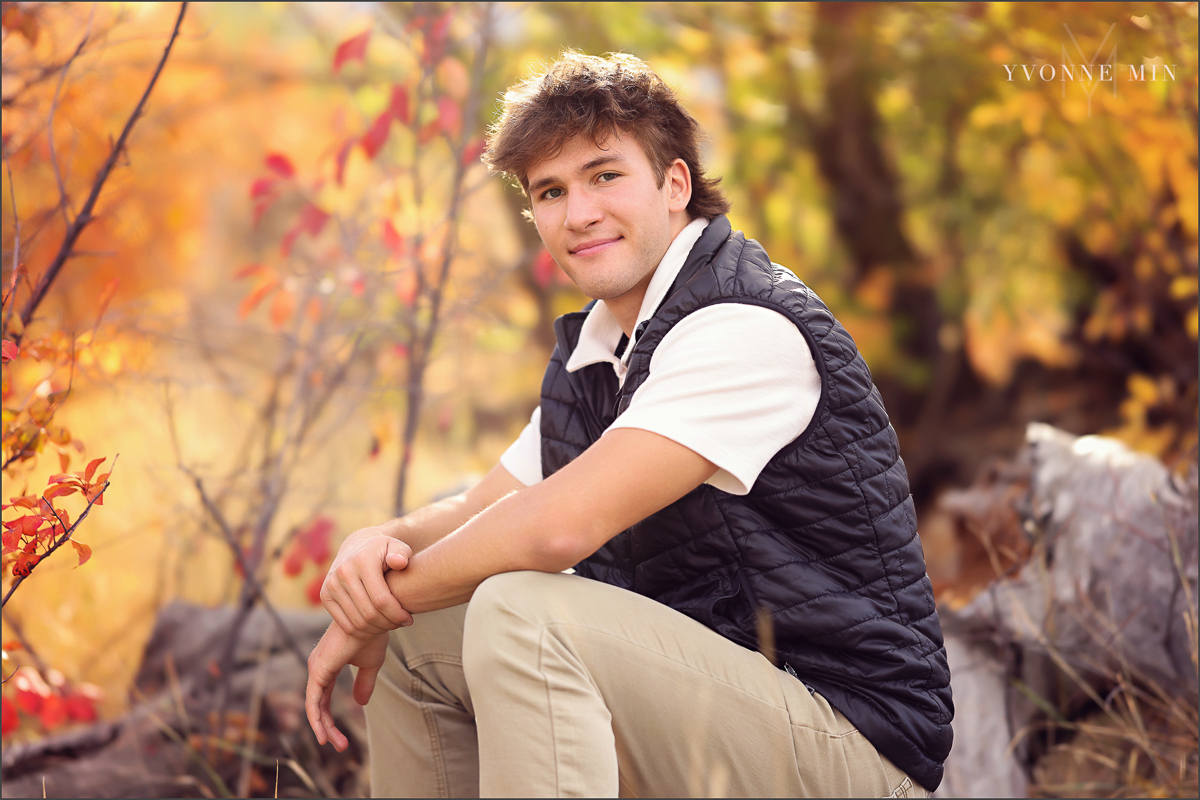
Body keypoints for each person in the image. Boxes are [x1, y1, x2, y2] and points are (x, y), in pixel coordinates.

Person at [305, 51, 952, 798]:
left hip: (851, 747)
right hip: (719, 709)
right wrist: (371, 554)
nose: (578, 214)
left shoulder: (743, 325)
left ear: (675, 184)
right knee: (418, 633)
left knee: (522, 612)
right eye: (551, 191)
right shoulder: (602, 349)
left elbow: (554, 530)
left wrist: (385, 597)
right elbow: (481, 511)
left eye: (604, 176)